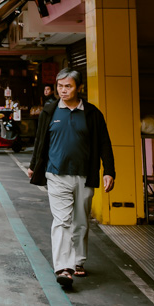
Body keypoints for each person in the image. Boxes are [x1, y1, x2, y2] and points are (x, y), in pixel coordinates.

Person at [27, 69, 115, 290]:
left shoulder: (92, 114)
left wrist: (109, 171)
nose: (63, 90)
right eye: (60, 86)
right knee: (62, 221)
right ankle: (64, 268)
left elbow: (104, 142)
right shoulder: (50, 111)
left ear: (79, 88)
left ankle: (78, 261)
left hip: (85, 175)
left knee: (81, 221)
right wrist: (33, 165)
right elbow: (40, 141)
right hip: (56, 174)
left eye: (68, 86)